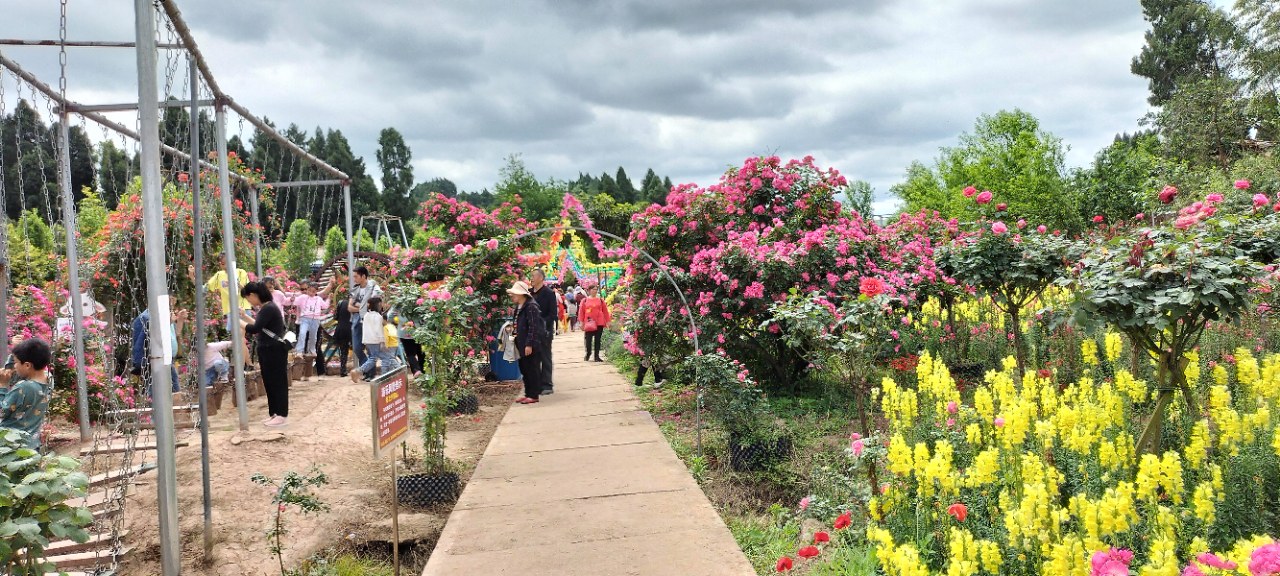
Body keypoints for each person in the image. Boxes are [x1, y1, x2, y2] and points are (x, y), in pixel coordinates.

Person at [239, 282, 291, 427]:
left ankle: (281, 414)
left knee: (278, 382)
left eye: (248, 298)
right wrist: (244, 317)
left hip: (273, 350)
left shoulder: (268, 308)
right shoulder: (266, 308)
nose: (249, 301)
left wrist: (239, 322)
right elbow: (260, 325)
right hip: (267, 349)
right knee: (269, 382)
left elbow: (255, 328)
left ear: (254, 295)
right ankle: (274, 413)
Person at [0, 338, 52, 449]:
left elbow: (2, 412)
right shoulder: (49, 380)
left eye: (16, 363)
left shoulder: (23, 387)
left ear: (27, 365)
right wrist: (18, 350)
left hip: (10, 448)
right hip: (32, 446)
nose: (14, 366)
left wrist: (2, 386)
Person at [131, 296, 184, 397]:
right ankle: (155, 408)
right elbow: (153, 337)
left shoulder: (165, 316)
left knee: (172, 391)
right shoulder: (147, 317)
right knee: (156, 390)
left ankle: (168, 409)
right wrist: (168, 322)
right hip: (155, 362)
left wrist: (180, 320)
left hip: (167, 359)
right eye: (169, 305)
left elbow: (176, 333)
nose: (171, 308)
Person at [508, 281, 545, 404]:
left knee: (532, 369)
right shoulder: (519, 307)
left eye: (514, 294)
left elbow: (534, 327)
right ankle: (528, 393)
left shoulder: (531, 306)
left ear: (520, 294)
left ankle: (533, 395)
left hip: (530, 344)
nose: (512, 296)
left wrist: (529, 344)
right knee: (524, 368)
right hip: (520, 342)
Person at [350, 296, 398, 382]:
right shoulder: (378, 317)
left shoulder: (366, 315)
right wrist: (383, 342)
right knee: (377, 358)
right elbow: (378, 331)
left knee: (377, 358)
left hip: (368, 341)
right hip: (376, 340)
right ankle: (359, 371)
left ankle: (384, 376)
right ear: (379, 304)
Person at [202, 254, 251, 329]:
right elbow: (204, 289)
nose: (225, 265)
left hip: (244, 309)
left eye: (227, 262)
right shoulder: (219, 275)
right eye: (222, 263)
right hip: (230, 310)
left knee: (245, 335)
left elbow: (248, 291)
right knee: (234, 336)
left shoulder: (241, 272)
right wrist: (192, 276)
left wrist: (237, 284)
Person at [529, 269, 557, 394]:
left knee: (545, 357)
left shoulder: (549, 293)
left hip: (544, 331)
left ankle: (547, 385)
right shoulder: (528, 294)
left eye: (533, 276)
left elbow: (552, 315)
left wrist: (540, 322)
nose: (531, 278)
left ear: (541, 278)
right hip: (530, 331)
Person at [347, 266, 382, 368]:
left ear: (363, 276)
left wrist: (358, 305)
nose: (354, 279)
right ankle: (366, 368)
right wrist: (363, 307)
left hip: (369, 319)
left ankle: (369, 373)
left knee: (370, 347)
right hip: (356, 319)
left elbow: (374, 303)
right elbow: (349, 307)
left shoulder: (373, 287)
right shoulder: (354, 289)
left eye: (356, 276)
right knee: (356, 347)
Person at [292, 281, 329, 358]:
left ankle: (312, 350)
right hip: (305, 318)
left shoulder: (318, 299)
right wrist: (292, 298)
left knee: (313, 336)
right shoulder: (303, 297)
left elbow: (325, 306)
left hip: (315, 319)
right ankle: (299, 351)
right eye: (309, 290)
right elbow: (294, 302)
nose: (311, 293)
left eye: (313, 291)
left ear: (316, 291)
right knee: (302, 333)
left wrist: (329, 299)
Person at [578, 285, 611, 362]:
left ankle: (597, 356)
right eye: (593, 289)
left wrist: (608, 321)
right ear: (589, 290)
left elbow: (605, 311)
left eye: (596, 289)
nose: (595, 291)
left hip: (599, 322)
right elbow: (581, 312)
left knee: (597, 340)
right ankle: (588, 353)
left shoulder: (600, 300)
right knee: (588, 339)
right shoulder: (585, 300)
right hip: (589, 322)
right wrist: (581, 322)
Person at [390, 306, 425, 376]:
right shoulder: (418, 300)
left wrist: (397, 319)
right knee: (421, 352)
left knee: (410, 354)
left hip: (404, 332)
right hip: (419, 330)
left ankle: (416, 371)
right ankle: (422, 372)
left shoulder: (398, 304)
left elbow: (390, 317)